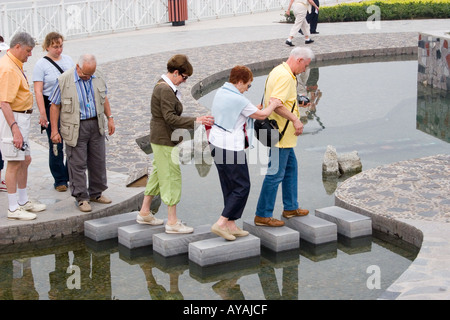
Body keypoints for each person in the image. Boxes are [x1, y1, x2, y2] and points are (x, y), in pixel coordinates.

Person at [137, 54, 214, 234]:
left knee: (157, 173)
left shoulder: (163, 86)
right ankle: (172, 222)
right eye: (184, 77)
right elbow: (170, 118)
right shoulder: (165, 89)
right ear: (176, 72)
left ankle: (144, 211)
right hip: (164, 139)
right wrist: (197, 120)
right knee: (172, 176)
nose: (185, 82)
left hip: (161, 138)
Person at [209, 65, 282, 241]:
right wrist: (273, 104)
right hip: (230, 147)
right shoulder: (239, 100)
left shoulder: (221, 92)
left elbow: (239, 112)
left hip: (215, 143)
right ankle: (220, 223)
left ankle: (231, 225)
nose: (248, 89)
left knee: (229, 185)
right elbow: (263, 115)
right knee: (242, 186)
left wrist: (252, 110)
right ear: (240, 82)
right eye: (248, 85)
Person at [254, 47, 314, 227]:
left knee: (291, 168)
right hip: (280, 133)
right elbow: (276, 103)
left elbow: (279, 100)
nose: (305, 70)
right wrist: (296, 119)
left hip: (281, 134)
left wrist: (296, 104)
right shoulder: (286, 76)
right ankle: (262, 215)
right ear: (299, 60)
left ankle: (290, 207)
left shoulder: (278, 70)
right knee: (275, 174)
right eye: (306, 66)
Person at [49, 54, 115, 212]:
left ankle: (96, 193)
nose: (88, 77)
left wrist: (110, 117)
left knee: (98, 160)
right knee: (77, 163)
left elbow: (104, 97)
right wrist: (54, 131)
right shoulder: (63, 80)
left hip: (95, 123)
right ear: (77, 67)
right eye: (85, 74)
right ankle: (81, 198)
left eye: (90, 74)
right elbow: (54, 106)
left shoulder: (98, 76)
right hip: (75, 126)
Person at [0, 32, 46, 221]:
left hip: (21, 118)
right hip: (15, 119)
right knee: (14, 162)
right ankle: (13, 208)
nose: (29, 55)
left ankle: (22, 199)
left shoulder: (15, 64)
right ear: (17, 46)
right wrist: (15, 128)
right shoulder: (8, 68)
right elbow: (4, 102)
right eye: (28, 51)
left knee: (24, 160)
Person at [33, 32, 74, 192]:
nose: (59, 50)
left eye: (61, 46)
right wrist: (43, 113)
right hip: (51, 105)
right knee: (56, 142)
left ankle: (70, 174)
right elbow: (38, 91)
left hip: (68, 105)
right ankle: (60, 178)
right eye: (55, 47)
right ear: (48, 47)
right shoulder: (41, 65)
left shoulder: (68, 60)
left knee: (72, 140)